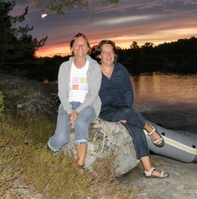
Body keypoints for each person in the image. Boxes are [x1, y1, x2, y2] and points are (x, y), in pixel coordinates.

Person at [95, 40, 169, 178]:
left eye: (111, 51)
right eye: (105, 52)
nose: (108, 55)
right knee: (129, 115)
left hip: (123, 107)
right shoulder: (93, 71)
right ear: (99, 55)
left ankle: (148, 169)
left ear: (114, 54)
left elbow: (128, 91)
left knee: (136, 129)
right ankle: (151, 130)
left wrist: (126, 110)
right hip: (104, 109)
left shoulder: (121, 69)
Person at [47, 33, 102, 172]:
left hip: (88, 105)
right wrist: (70, 110)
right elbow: (62, 93)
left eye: (83, 44)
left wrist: (78, 111)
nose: (80, 47)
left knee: (81, 122)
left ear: (88, 48)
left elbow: (93, 94)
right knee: (61, 138)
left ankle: (80, 165)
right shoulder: (65, 67)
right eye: (77, 44)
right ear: (72, 48)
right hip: (68, 105)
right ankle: (47, 150)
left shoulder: (95, 67)